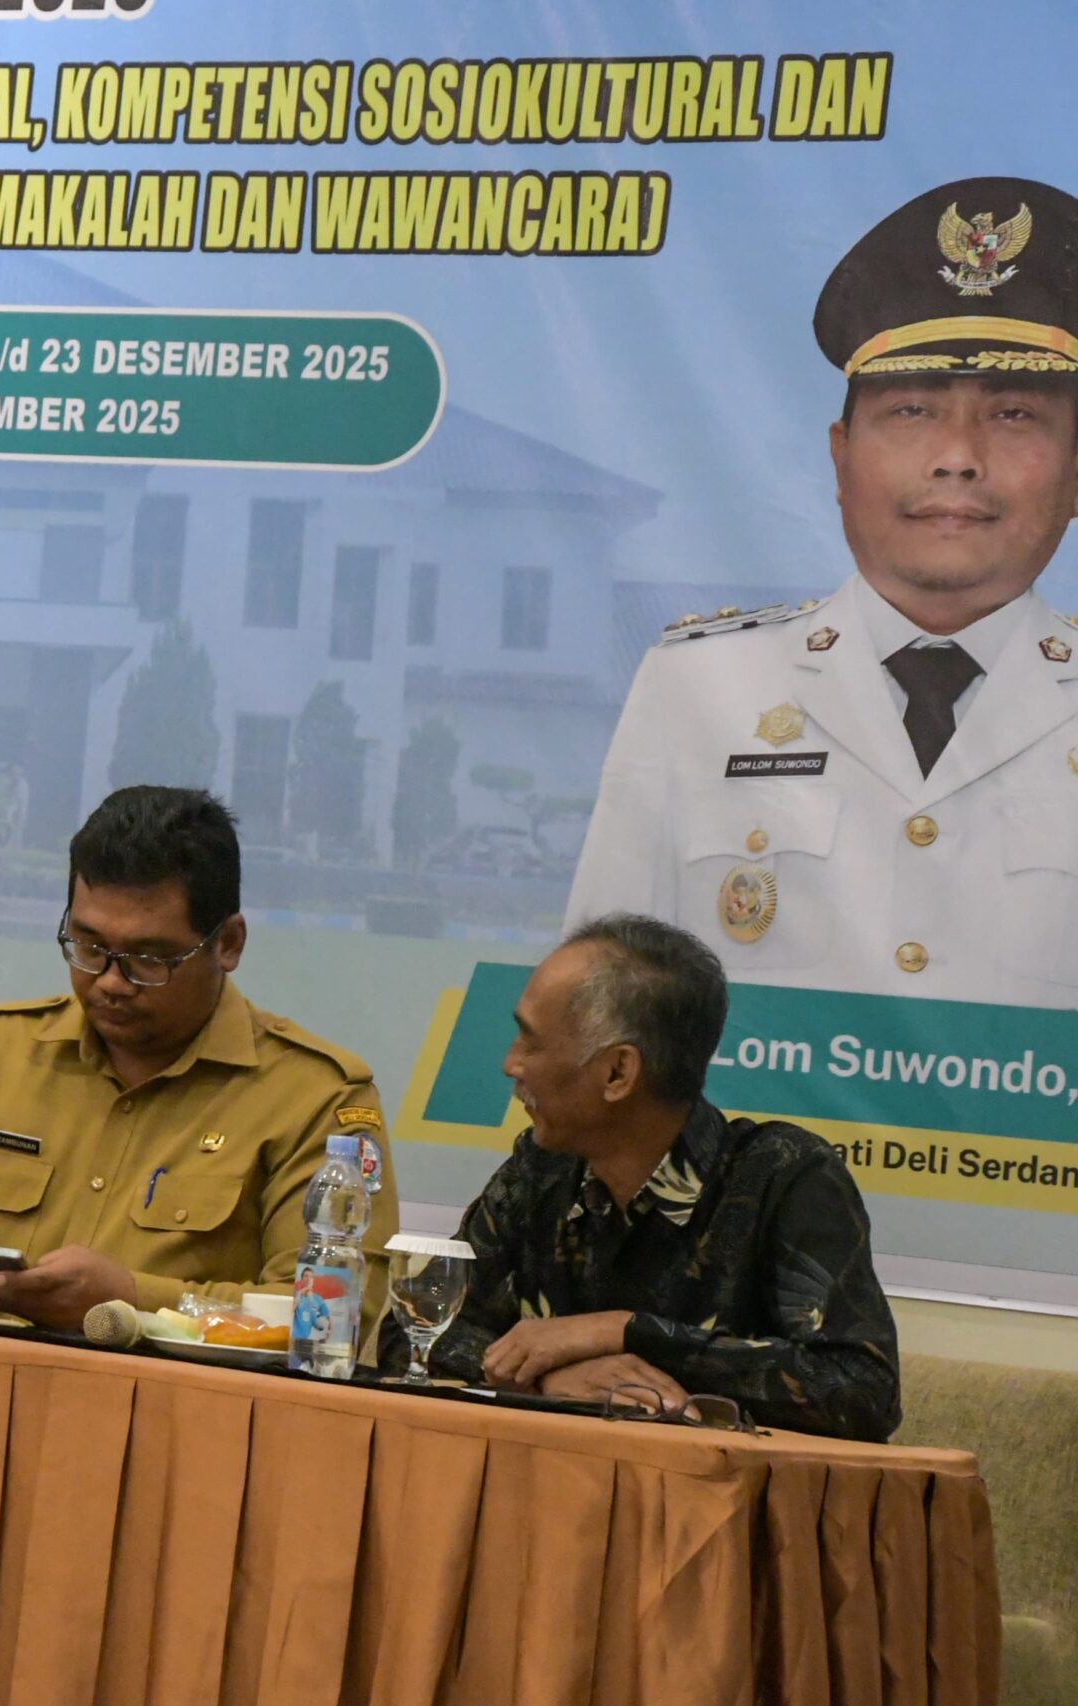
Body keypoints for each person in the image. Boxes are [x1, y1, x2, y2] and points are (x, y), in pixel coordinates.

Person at [566, 175, 1078, 1005]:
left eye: (1014, 414)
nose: (957, 457)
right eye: (911, 412)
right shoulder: (697, 689)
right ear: (841, 459)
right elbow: (600, 1018)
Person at [0, 785, 398, 1334]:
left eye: (148, 958)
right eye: (89, 947)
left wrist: (136, 1303)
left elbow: (333, 1316)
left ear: (229, 944)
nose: (111, 982)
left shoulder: (316, 1100)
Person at [388, 915, 901, 1442]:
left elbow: (861, 1390)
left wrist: (623, 1331)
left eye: (531, 1043)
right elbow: (410, 1333)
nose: (510, 1064)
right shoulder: (540, 1171)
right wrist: (547, 1381)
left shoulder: (784, 1176)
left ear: (617, 1073)